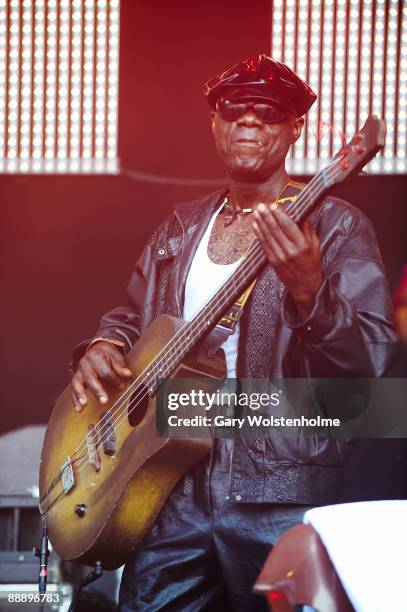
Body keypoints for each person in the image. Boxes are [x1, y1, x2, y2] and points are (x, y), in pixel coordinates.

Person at [70, 55, 398, 611]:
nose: (248, 120)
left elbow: (373, 364)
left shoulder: (336, 225)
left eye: (268, 112)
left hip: (279, 485)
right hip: (170, 481)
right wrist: (106, 344)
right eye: (233, 110)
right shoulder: (180, 226)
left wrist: (310, 292)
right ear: (215, 124)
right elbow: (132, 316)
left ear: (295, 128)